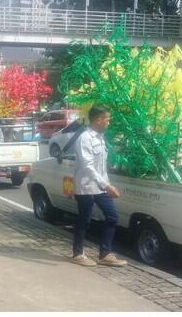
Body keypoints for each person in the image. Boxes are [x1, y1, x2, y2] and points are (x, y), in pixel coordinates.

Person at [72, 105, 127, 267]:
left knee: (112, 216)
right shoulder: (85, 138)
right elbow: (88, 166)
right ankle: (78, 254)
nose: (108, 122)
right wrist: (106, 185)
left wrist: (107, 184)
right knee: (85, 219)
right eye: (107, 119)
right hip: (86, 186)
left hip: (100, 186)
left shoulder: (100, 138)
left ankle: (105, 253)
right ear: (98, 120)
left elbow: (101, 167)